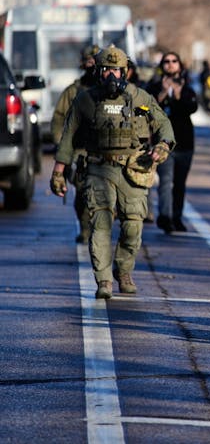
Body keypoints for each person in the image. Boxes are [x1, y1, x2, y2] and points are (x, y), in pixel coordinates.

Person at [49, 45, 174, 299]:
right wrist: (58, 172)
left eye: (117, 71)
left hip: (133, 170)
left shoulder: (140, 99)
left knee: (133, 226)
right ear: (99, 71)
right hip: (98, 169)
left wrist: (162, 145)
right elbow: (68, 137)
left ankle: (124, 270)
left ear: (125, 72)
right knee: (100, 225)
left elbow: (162, 125)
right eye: (107, 70)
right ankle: (103, 280)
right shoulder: (85, 100)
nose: (112, 76)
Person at [50, 44, 100, 244]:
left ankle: (100, 228)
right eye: (90, 60)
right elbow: (59, 119)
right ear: (83, 63)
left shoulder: (109, 91)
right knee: (82, 190)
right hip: (79, 150)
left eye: (97, 61)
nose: (93, 65)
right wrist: (61, 146)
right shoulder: (73, 91)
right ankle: (86, 228)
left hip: (104, 150)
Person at [146, 52, 198, 233]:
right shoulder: (153, 86)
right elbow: (146, 108)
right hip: (163, 143)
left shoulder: (187, 87)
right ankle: (165, 217)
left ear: (180, 65)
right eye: (166, 61)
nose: (170, 64)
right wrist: (162, 93)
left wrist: (177, 94)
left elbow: (192, 107)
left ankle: (177, 216)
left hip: (184, 142)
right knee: (166, 180)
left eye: (174, 61)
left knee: (180, 182)